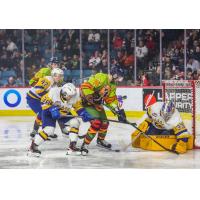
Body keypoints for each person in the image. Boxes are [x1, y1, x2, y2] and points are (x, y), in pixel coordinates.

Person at [78, 66, 127, 155]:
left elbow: (110, 100)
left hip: (97, 104)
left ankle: (100, 140)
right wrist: (90, 96)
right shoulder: (101, 77)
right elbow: (85, 86)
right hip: (87, 103)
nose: (120, 79)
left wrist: (118, 111)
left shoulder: (113, 85)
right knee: (96, 123)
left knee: (105, 122)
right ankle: (85, 145)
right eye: (119, 76)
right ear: (115, 74)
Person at [28, 83, 85, 157]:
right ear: (64, 94)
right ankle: (33, 147)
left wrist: (83, 113)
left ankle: (72, 146)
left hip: (63, 111)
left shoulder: (74, 96)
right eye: (70, 96)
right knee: (49, 130)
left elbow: (78, 107)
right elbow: (43, 102)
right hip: (48, 111)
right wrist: (53, 109)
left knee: (75, 122)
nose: (71, 97)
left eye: (72, 96)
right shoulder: (54, 92)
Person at [26, 68, 64, 138]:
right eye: (56, 75)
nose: (58, 77)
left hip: (40, 98)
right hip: (33, 98)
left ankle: (46, 131)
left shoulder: (56, 84)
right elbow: (38, 90)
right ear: (52, 75)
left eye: (60, 76)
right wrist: (49, 99)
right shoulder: (47, 79)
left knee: (47, 113)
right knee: (41, 113)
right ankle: (35, 130)